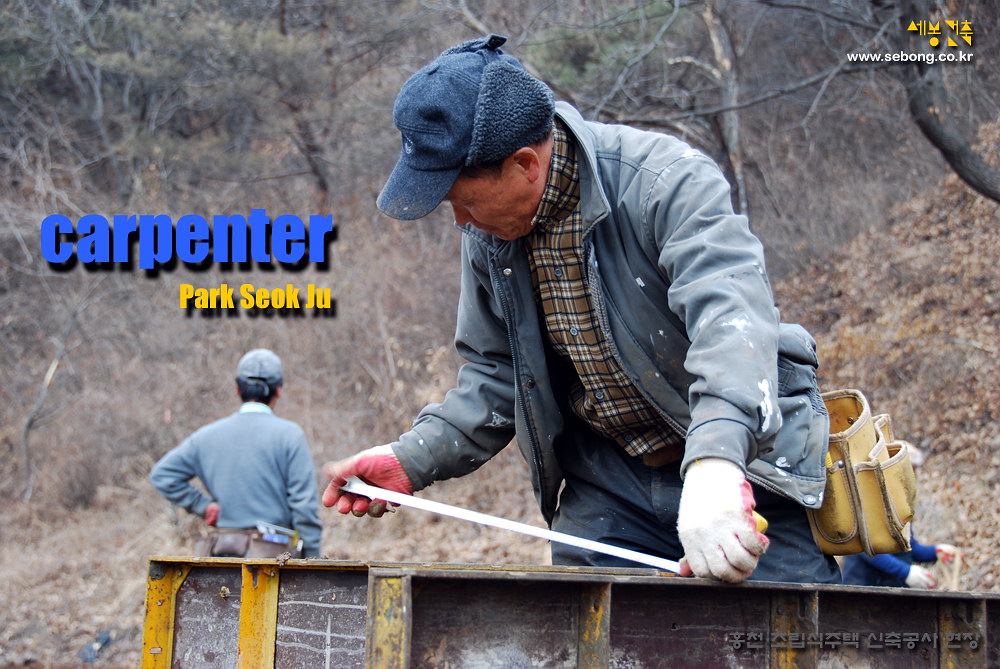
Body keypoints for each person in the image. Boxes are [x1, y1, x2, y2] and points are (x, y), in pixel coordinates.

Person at [322, 34, 840, 584]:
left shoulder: (666, 183)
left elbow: (734, 328)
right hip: (610, 483)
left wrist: (715, 467)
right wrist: (410, 460)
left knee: (787, 636)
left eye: (465, 201)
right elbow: (497, 377)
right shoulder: (492, 236)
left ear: (525, 165)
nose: (461, 222)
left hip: (747, 465)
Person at [150, 349, 322, 558]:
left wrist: (202, 506)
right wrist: (313, 558)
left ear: (237, 389)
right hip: (274, 558)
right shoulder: (290, 436)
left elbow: (162, 475)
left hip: (220, 556)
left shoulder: (206, 436)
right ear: (278, 390)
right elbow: (303, 507)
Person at [841, 444, 959, 587]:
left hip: (893, 591)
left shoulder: (900, 504)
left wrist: (936, 551)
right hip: (863, 588)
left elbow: (908, 547)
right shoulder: (867, 499)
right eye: (910, 470)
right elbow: (863, 548)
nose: (912, 477)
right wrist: (904, 571)